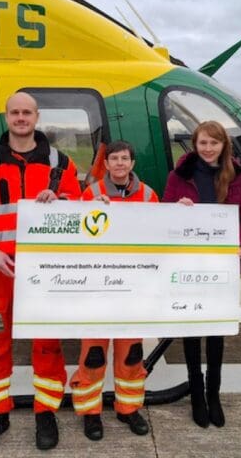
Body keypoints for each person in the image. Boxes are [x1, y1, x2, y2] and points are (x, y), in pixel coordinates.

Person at [0, 92, 81, 454]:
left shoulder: (61, 163)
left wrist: (59, 201)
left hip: (46, 271)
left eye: (27, 112)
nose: (21, 118)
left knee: (47, 343)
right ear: (7, 117)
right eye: (15, 112)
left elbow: (78, 206)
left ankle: (46, 411)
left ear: (36, 116)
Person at [162, 120, 241, 428]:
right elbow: (164, 212)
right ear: (195, 144)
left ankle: (214, 393)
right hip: (187, 260)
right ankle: (196, 392)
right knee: (190, 328)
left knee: (216, 329)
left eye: (214, 143)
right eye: (203, 143)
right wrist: (177, 207)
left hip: (219, 261)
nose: (209, 148)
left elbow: (236, 217)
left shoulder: (235, 174)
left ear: (223, 145)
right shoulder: (179, 175)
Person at [70, 140, 158, 441]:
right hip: (98, 289)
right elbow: (76, 238)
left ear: (132, 163)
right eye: (114, 159)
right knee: (93, 355)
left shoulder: (148, 195)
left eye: (125, 158)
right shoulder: (91, 194)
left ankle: (128, 409)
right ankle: (90, 414)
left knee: (131, 355)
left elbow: (161, 235)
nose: (120, 163)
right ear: (105, 164)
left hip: (132, 291)